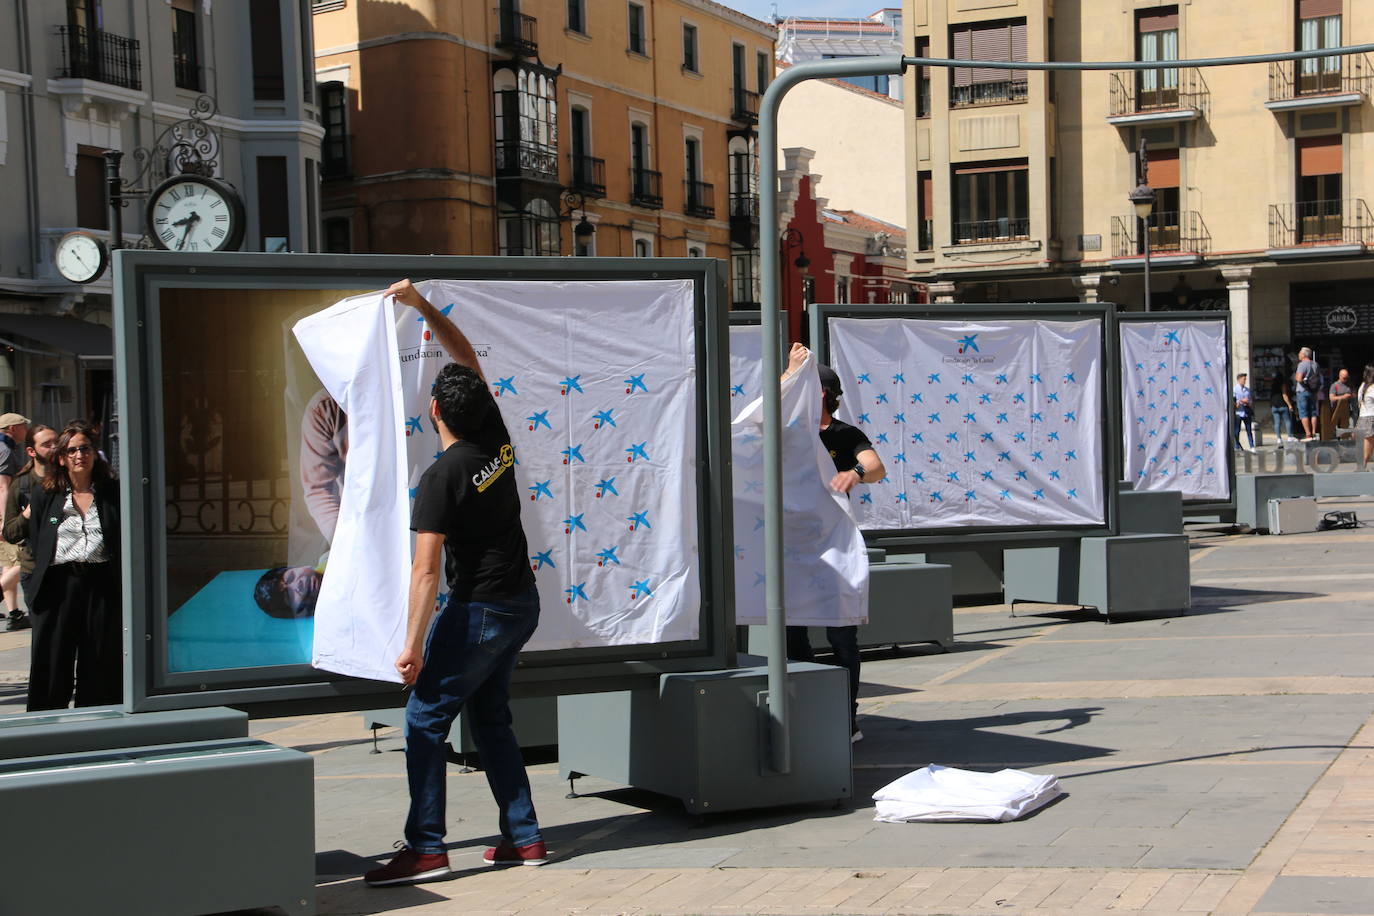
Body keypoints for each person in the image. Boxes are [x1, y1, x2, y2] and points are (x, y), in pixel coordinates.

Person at [364, 279, 546, 888]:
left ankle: (427, 848)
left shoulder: (441, 477)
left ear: (434, 411)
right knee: (491, 716)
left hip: (483, 611)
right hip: (521, 604)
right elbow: (466, 358)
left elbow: (425, 569)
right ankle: (524, 838)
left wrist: (412, 646)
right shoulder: (494, 438)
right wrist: (421, 307)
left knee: (422, 720)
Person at [780, 343, 886, 744]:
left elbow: (876, 466)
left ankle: (846, 717)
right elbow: (762, 411)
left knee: (842, 634)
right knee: (791, 636)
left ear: (821, 393)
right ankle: (806, 710)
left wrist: (854, 473)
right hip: (791, 548)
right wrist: (791, 370)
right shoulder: (787, 430)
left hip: (832, 545)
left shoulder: (844, 433)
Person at [22, 421, 121, 711]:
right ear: (62, 458)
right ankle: (45, 722)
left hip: (100, 584)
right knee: (52, 659)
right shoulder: (46, 493)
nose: (80, 455)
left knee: (99, 657)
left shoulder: (112, 492)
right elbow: (38, 538)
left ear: (94, 454)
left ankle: (98, 722)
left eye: (85, 448)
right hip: (58, 585)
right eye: (72, 450)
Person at [2, 425, 59, 632]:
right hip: (35, 569)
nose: (54, 448)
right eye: (47, 444)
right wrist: (27, 514)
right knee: (44, 634)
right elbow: (10, 533)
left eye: (56, 442)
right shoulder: (23, 484)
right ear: (31, 451)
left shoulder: (71, 479)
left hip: (68, 569)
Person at [0, 412, 31, 631]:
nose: (25, 430)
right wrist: (6, 521)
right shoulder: (4, 452)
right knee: (25, 560)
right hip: (5, 515)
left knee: (8, 563)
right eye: (23, 426)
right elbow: (3, 487)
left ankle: (14, 614)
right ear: (12, 429)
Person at [1295, 347, 1321, 441]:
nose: (1298, 355)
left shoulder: (1302, 365)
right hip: (1313, 391)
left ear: (1304, 354)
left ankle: (1308, 434)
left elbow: (1298, 378)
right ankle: (1314, 432)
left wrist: (1302, 381)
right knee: (1313, 412)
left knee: (1303, 413)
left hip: (1303, 391)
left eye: (1299, 353)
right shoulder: (1315, 364)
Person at [1268, 371, 1295, 444]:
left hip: (1274, 405)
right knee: (1287, 421)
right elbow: (1284, 395)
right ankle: (1289, 437)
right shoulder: (1282, 384)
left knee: (1277, 423)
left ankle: (1279, 438)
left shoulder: (1272, 384)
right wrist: (1289, 405)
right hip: (1282, 404)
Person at [1357, 365, 1374, 466]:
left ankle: (1362, 465)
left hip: (1363, 417)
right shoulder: (1372, 387)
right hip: (1371, 418)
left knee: (1367, 445)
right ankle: (1362, 466)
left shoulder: (1362, 386)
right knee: (1368, 446)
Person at [1232, 373, 1254, 451]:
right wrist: (1241, 401)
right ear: (1239, 380)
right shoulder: (1234, 390)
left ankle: (1252, 446)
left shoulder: (1247, 390)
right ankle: (1237, 446)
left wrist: (1248, 402)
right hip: (1238, 412)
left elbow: (1250, 400)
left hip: (1246, 412)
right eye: (1243, 379)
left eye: (1245, 379)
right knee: (1237, 430)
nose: (1245, 381)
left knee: (1249, 430)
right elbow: (1233, 402)